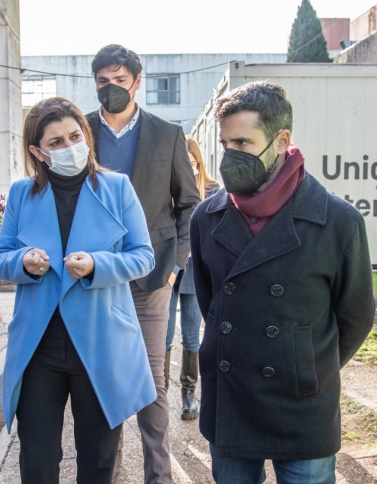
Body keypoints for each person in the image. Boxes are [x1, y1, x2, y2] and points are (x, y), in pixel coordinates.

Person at [190, 80, 374, 483]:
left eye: (242, 143)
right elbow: (212, 302)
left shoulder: (338, 220)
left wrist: (305, 362)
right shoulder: (205, 218)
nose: (230, 157)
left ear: (281, 140)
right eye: (225, 145)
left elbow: (357, 314)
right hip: (232, 401)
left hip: (302, 405)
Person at [0, 96, 157, 483]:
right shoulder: (21, 194)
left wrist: (99, 265)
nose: (69, 147)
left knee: (98, 462)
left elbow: (143, 257)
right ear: (37, 151)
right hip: (39, 347)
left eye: (74, 136)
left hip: (101, 342)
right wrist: (24, 262)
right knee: (37, 460)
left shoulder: (117, 188)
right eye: (56, 142)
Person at [85, 44, 200, 483]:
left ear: (137, 81)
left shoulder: (167, 134)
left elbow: (189, 205)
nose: (110, 88)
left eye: (119, 80)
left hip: (152, 276)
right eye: (102, 81)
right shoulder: (82, 133)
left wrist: (176, 265)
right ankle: (106, 473)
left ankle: (159, 475)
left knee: (152, 383)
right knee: (101, 379)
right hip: (95, 279)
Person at [165, 136, 220, 421]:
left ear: (198, 161)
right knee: (163, 335)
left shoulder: (211, 191)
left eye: (192, 161)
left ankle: (188, 393)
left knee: (190, 333)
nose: (188, 166)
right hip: (167, 270)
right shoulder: (166, 189)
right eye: (182, 162)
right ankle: (159, 394)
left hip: (195, 273)